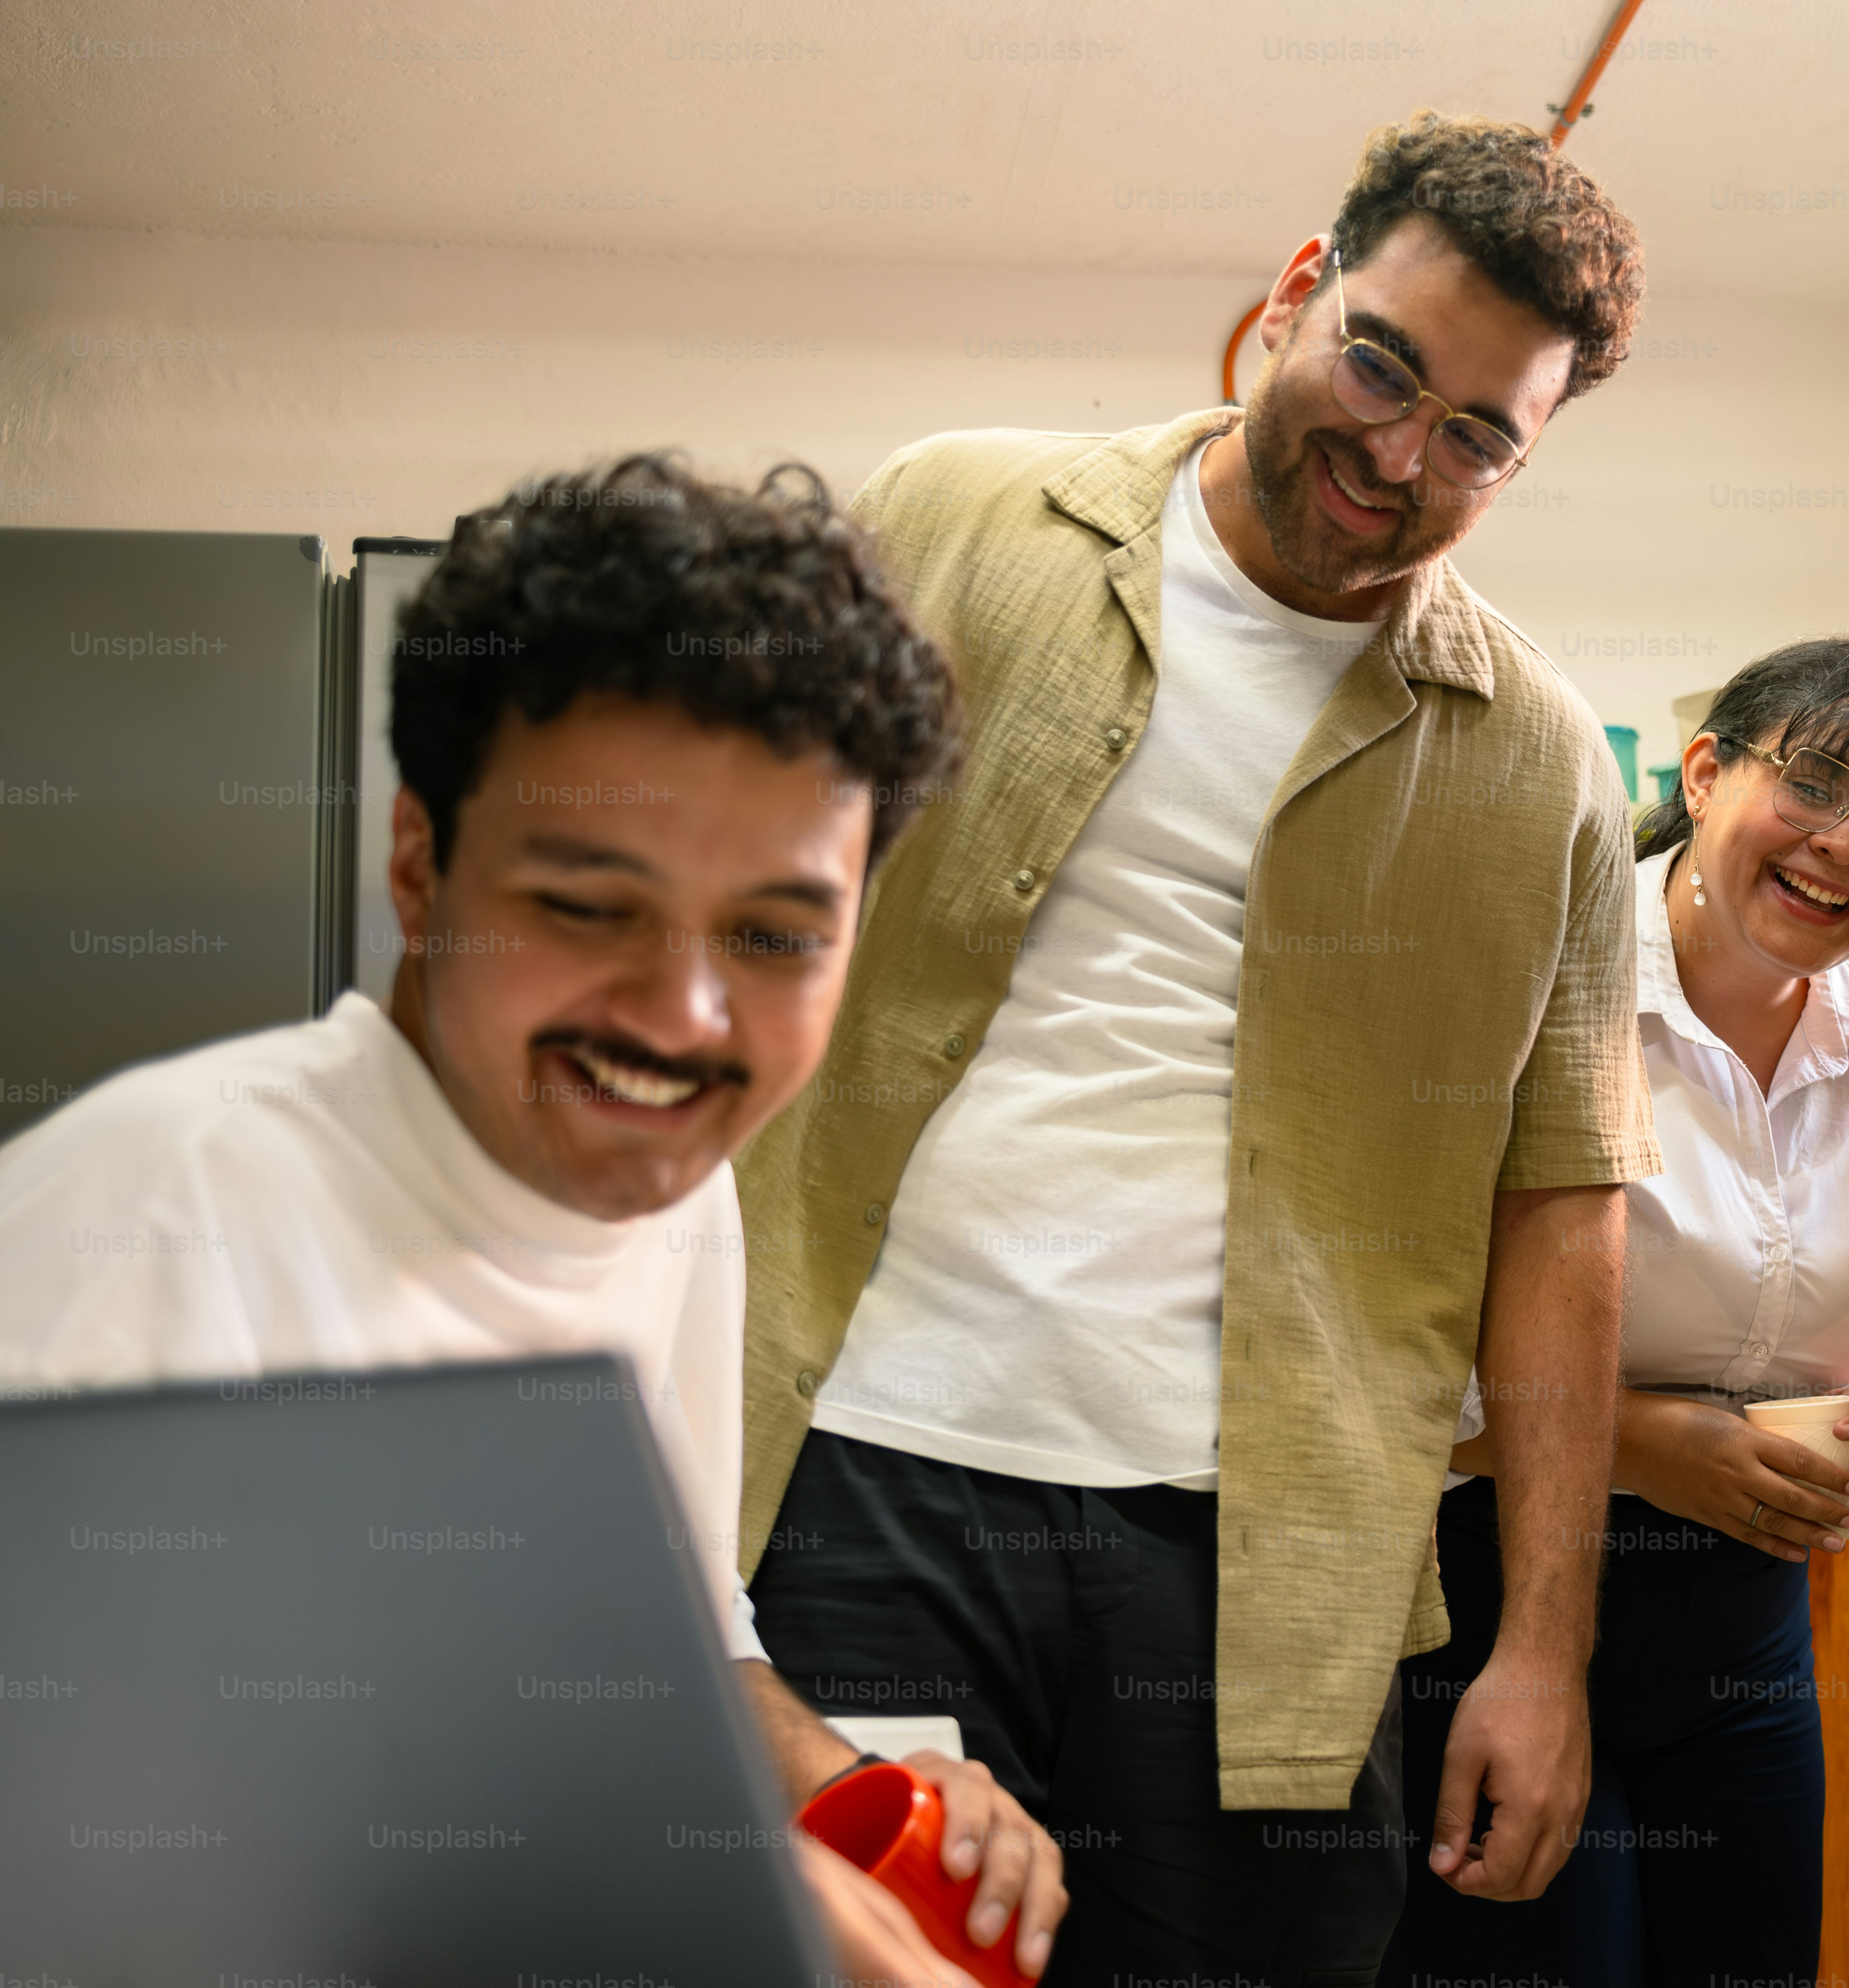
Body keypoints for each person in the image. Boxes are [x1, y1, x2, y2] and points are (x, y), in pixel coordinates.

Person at [732, 112, 1657, 1976]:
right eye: (1382, 364)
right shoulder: (951, 517)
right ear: (1298, 290)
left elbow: (1564, 1214)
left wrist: (1542, 1648)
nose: (1399, 456)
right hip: (870, 1470)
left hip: (1278, 1564)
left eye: (1481, 436)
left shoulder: (1543, 761)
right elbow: (710, 909)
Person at [0, 456, 1066, 1987]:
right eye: (586, 905)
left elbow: (675, 1650)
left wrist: (833, 1796)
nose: (681, 1019)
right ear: (422, 866)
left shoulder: (682, 1207)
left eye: (773, 934)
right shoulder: (155, 1223)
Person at [1380, 638, 1849, 1984]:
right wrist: (1646, 1442)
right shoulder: (1537, 985)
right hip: (1496, 1615)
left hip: (1747, 1644)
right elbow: (1388, 1350)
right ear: (1706, 772)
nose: (1844, 844)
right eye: (1815, 783)